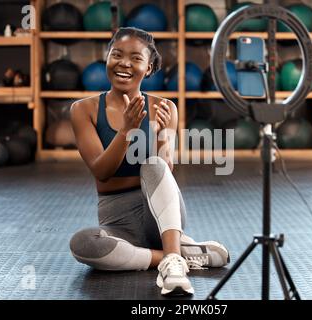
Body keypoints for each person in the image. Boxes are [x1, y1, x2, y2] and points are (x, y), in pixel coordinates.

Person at [69, 27, 229, 296]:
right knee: (82, 244)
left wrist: (162, 135)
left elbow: (165, 171)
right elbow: (102, 170)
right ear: (106, 58)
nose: (124, 64)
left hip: (159, 217)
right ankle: (174, 255)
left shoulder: (164, 108)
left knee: (154, 164)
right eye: (116, 54)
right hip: (116, 222)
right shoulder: (82, 110)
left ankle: (172, 258)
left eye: (135, 58)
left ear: (150, 67)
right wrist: (125, 132)